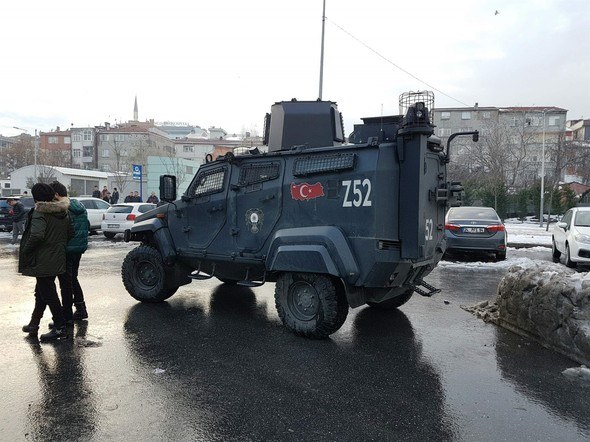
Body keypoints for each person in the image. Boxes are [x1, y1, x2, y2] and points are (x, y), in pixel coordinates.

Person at [20, 183, 73, 342]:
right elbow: (71, 232)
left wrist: (26, 250)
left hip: (42, 259)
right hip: (57, 257)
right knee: (42, 292)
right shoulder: (62, 211)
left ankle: (60, 328)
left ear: (36, 197)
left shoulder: (40, 212)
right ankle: (34, 324)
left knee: (48, 294)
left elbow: (36, 235)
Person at [51, 181, 90, 324]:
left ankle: (67, 315)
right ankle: (81, 309)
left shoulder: (63, 208)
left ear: (56, 194)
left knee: (66, 282)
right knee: (73, 278)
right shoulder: (79, 206)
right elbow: (88, 226)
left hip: (67, 249)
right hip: (78, 248)